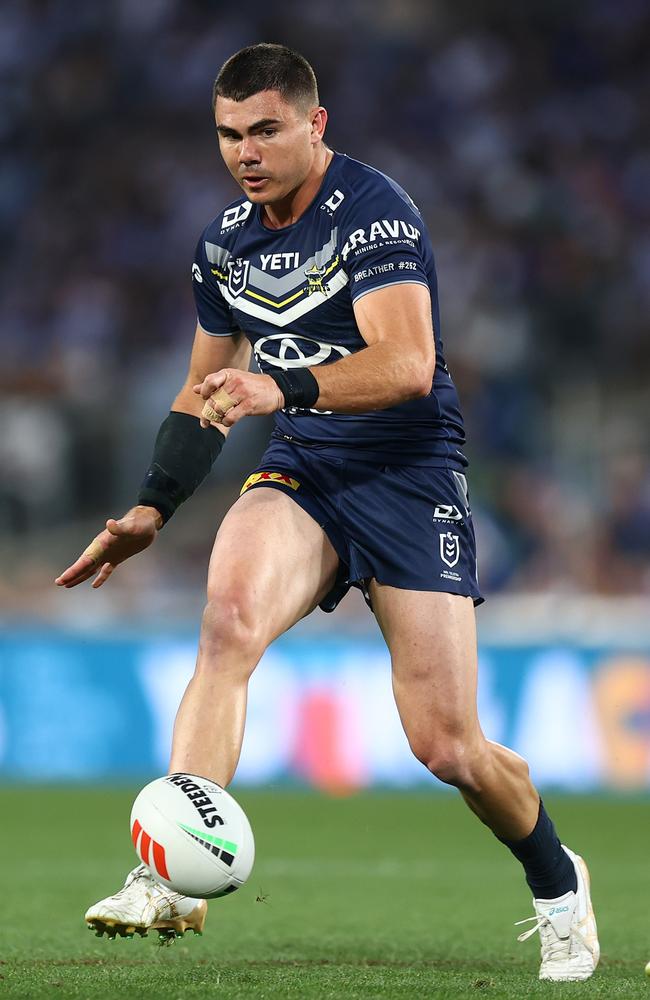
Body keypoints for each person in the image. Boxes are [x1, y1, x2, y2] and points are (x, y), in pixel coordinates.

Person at [56, 43, 598, 980]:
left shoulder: (374, 212)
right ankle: (171, 877)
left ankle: (557, 883)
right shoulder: (224, 242)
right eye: (229, 134)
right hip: (307, 465)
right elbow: (200, 390)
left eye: (265, 129)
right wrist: (153, 505)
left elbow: (407, 366)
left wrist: (280, 387)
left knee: (448, 745)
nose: (245, 151)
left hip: (409, 472)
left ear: (315, 125)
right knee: (226, 624)